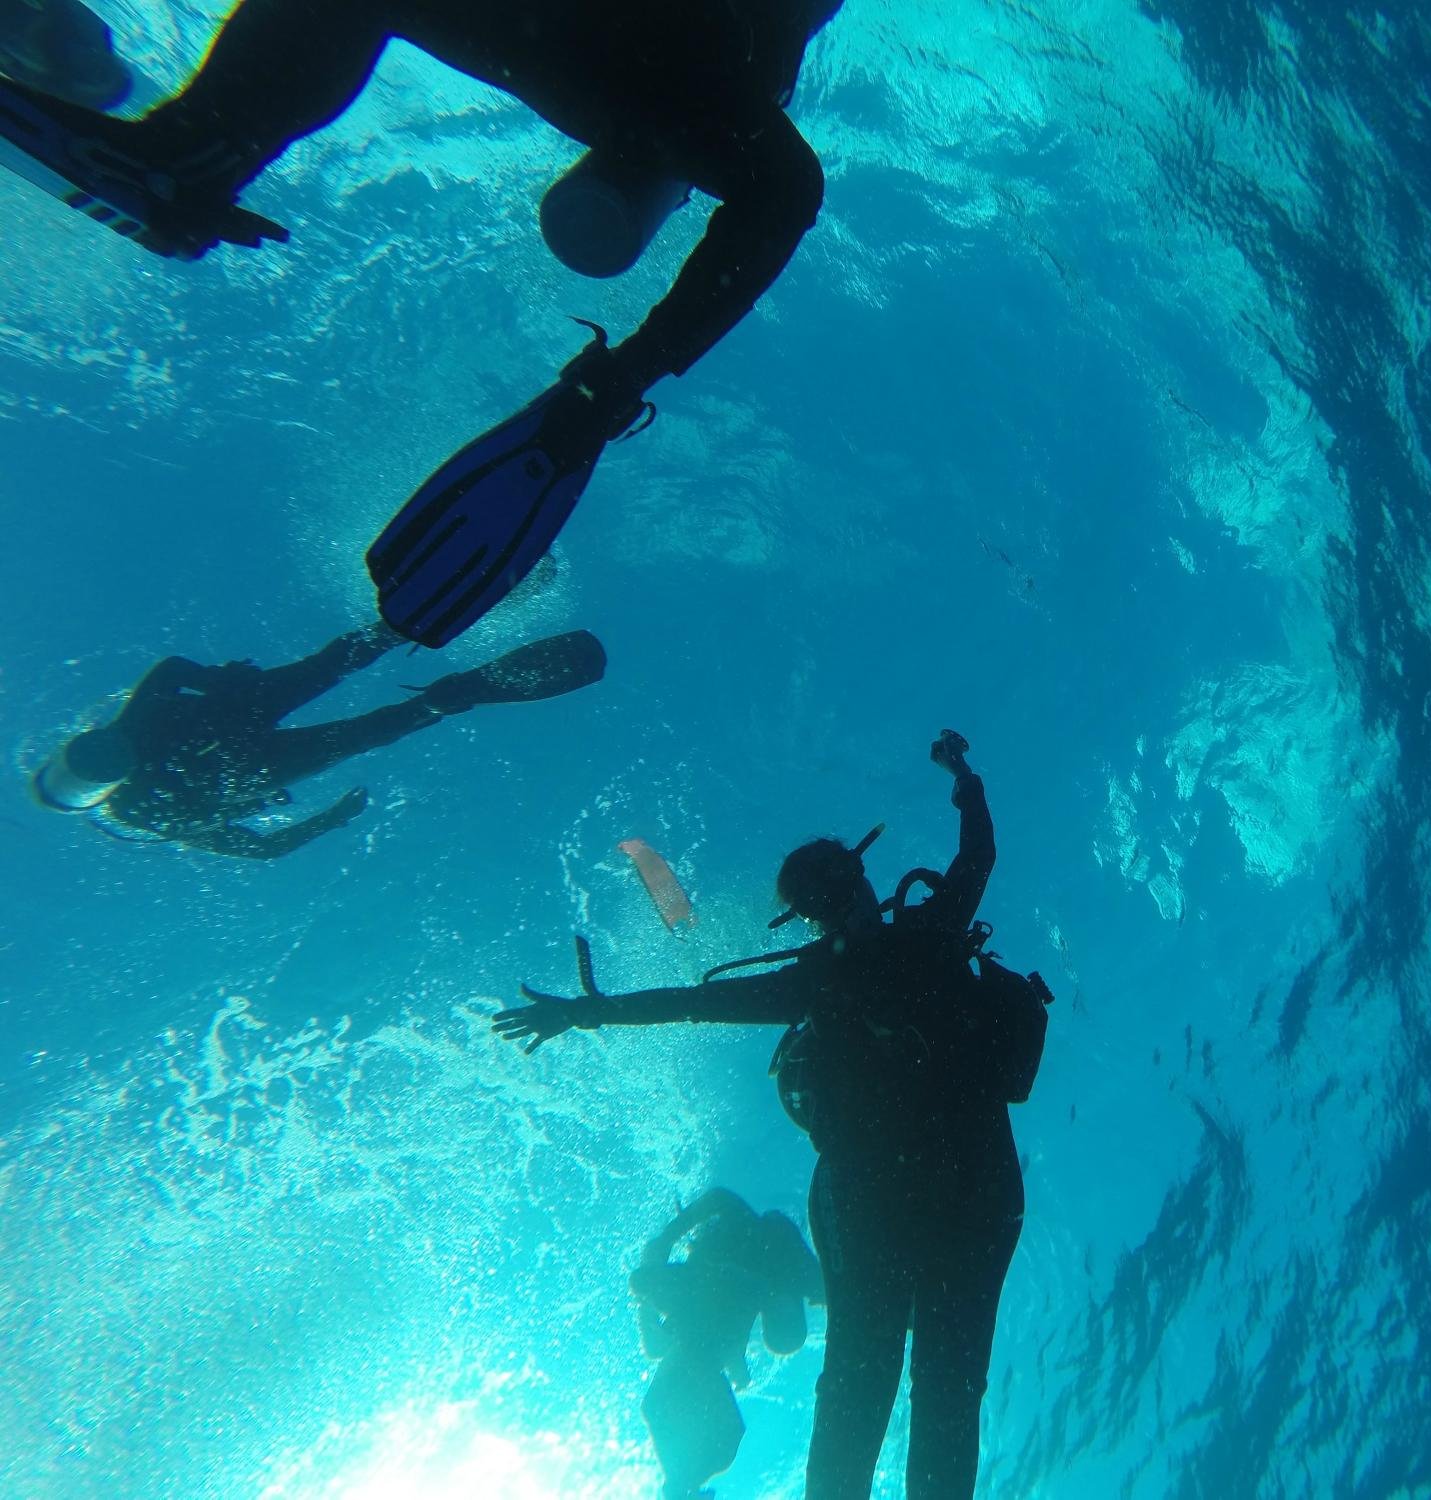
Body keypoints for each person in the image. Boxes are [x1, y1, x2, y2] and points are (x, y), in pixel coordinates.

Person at [0, 0, 843, 646]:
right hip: (656, 76)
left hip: (645, 57)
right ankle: (187, 158)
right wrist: (622, 377)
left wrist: (624, 377)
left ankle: (193, 154)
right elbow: (777, 188)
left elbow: (780, 188)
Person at [495, 731, 1040, 1500]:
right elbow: (695, 1005)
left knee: (938, 1387)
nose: (836, 898)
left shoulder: (917, 937)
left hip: (962, 1193)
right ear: (806, 915)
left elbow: (977, 856)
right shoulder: (825, 977)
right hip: (897, 1198)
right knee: (868, 1388)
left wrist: (966, 779)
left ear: (858, 873)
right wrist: (591, 1013)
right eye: (818, 894)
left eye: (837, 879)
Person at [31, 624, 606, 857]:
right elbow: (260, 849)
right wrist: (216, 679)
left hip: (241, 749)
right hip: (242, 751)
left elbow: (262, 849)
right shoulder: (143, 802)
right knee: (339, 679)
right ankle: (419, 627)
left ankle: (432, 673)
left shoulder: (137, 779)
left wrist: (214, 680)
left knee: (359, 717)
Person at [630, 1186, 823, 1500]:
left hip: (694, 1355)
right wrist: (667, 1240)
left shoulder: (762, 1288)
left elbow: (729, 1334)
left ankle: (680, 1488)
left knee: (720, 1441)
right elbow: (721, 1199)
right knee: (718, 1438)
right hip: (691, 1349)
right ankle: (680, 1488)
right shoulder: (755, 1259)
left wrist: (737, 1365)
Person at [0, 0, 131, 109]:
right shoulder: (92, 26)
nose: (93, 63)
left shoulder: (32, 74)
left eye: (96, 74)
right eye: (106, 64)